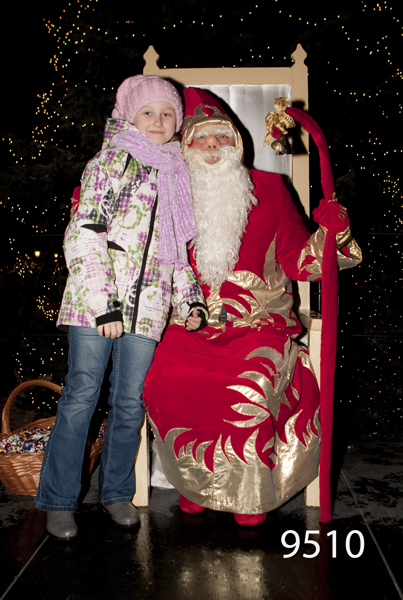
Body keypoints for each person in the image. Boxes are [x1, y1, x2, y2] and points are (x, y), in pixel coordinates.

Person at [144, 87, 362, 526]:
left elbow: (300, 261)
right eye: (200, 137)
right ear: (185, 146)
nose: (212, 145)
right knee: (165, 373)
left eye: (222, 136)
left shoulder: (271, 189)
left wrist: (331, 233)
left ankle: (251, 494)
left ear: (237, 142)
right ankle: (194, 483)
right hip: (188, 323)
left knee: (253, 379)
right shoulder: (167, 193)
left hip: (258, 326)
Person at [34, 76, 207, 539]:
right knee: (82, 395)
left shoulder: (176, 173)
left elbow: (175, 253)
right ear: (130, 116)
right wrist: (103, 304)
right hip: (95, 304)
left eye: (167, 113)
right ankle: (59, 499)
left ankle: (115, 493)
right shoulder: (110, 161)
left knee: (130, 402)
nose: (158, 120)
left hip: (149, 307)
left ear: (178, 122)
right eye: (148, 112)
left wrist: (189, 300)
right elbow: (84, 233)